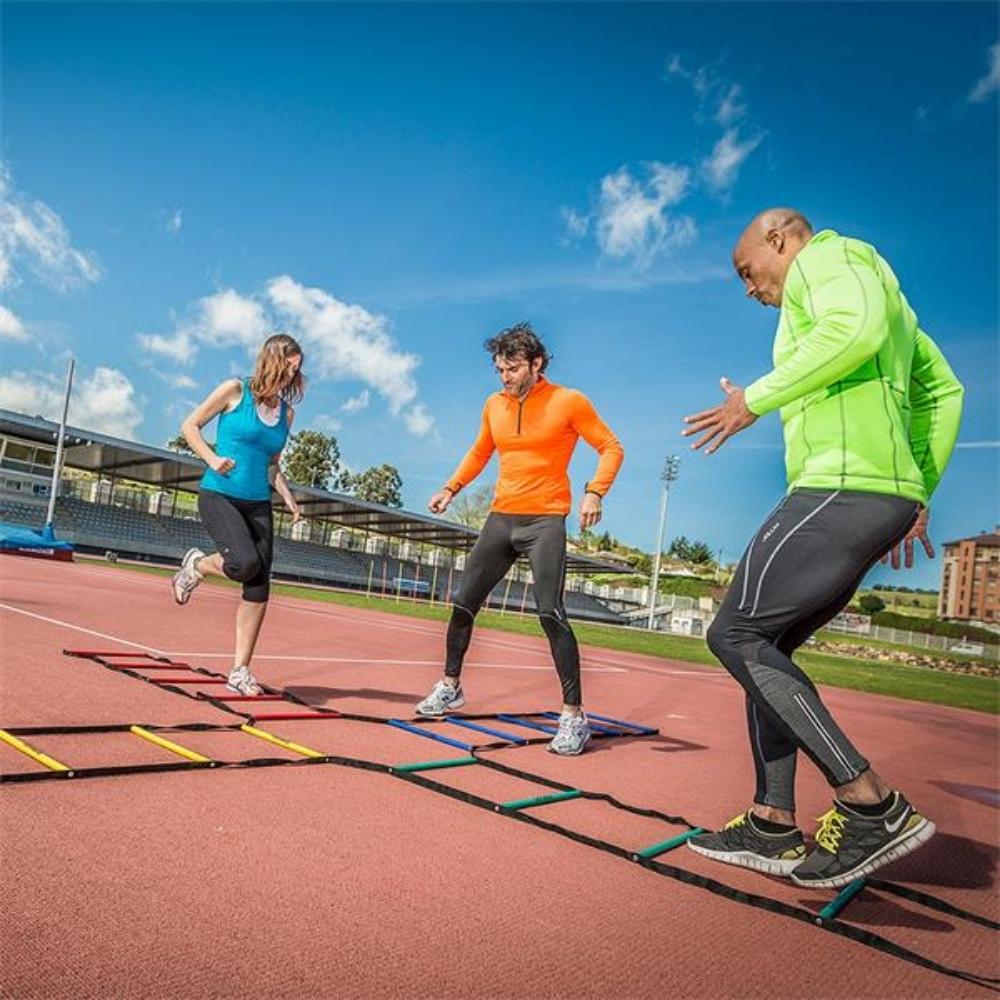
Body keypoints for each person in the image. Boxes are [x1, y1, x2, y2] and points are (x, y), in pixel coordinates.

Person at [682, 209, 963, 888]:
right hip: (873, 491)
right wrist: (918, 488)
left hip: (841, 484)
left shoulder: (830, 260)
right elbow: (945, 390)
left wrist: (757, 398)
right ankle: (772, 821)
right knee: (765, 642)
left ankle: (870, 804)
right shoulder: (886, 293)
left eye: (748, 270)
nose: (749, 289)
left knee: (737, 633)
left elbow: (851, 332)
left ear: (780, 237)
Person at [416, 323, 624, 755]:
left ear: (536, 364)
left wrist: (594, 491)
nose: (505, 377)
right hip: (501, 518)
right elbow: (480, 451)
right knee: (462, 601)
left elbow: (611, 446)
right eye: (499, 370)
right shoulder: (494, 405)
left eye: (512, 368)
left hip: (545, 520)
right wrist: (450, 489)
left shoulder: (569, 401)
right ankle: (450, 686)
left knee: (550, 612)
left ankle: (573, 717)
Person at [170, 334, 304, 696]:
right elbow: (189, 425)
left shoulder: (286, 414)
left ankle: (240, 670)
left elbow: (272, 466)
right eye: (289, 366)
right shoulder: (234, 390)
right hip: (219, 494)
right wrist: (212, 459)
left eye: (297, 370)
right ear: (271, 359)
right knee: (244, 564)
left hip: (258, 501)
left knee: (259, 584)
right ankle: (196, 566)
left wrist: (289, 499)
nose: (292, 375)